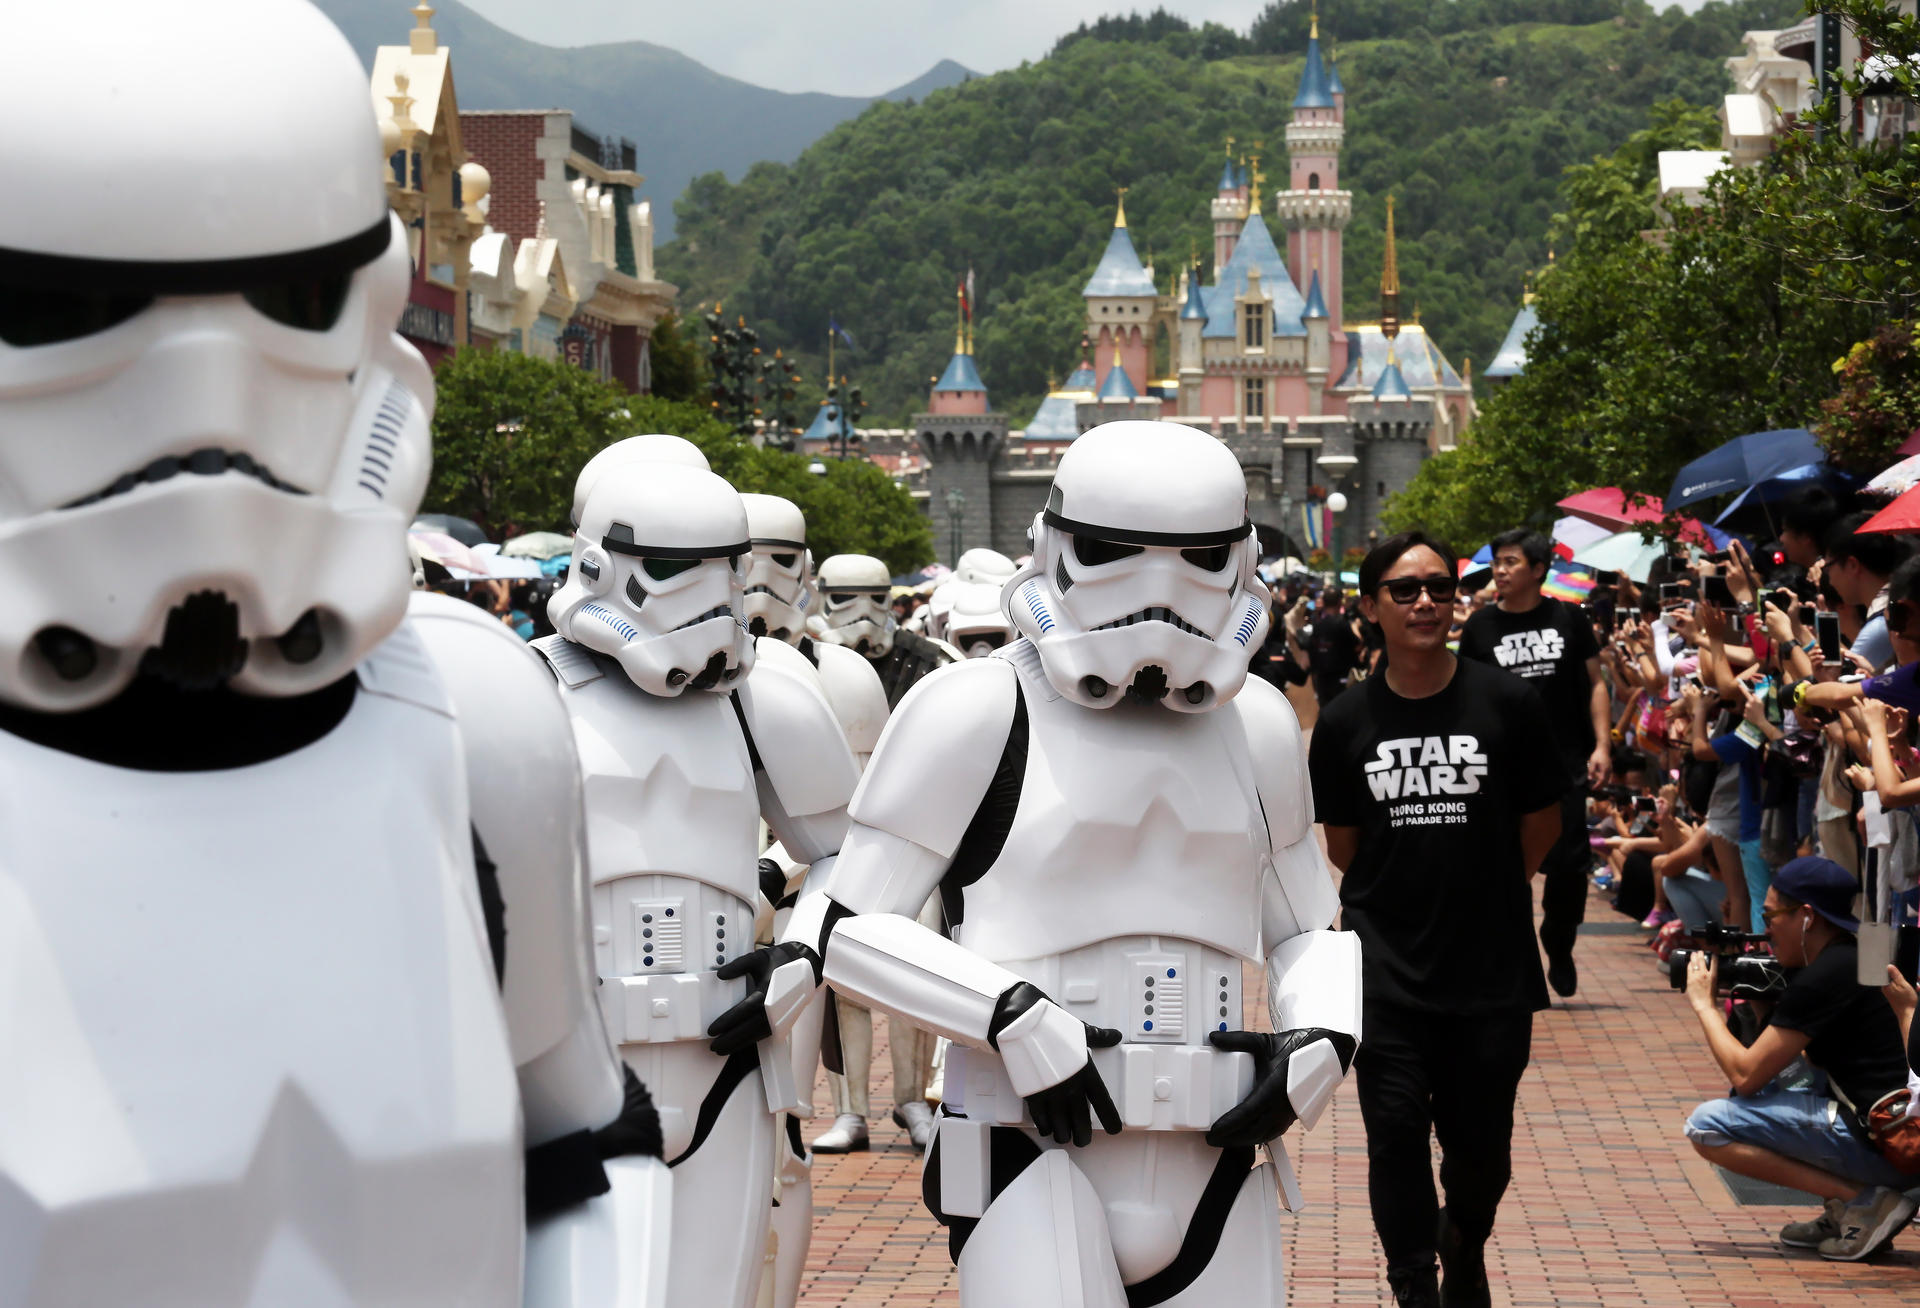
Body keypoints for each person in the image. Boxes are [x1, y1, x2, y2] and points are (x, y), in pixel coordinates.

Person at [0, 3, 663, 1301]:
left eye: (285, 301)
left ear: (367, 307)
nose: (205, 411)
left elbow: (588, 1152)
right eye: (69, 311)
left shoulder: (475, 728)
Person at [792, 421, 1359, 1306]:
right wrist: (1007, 1016)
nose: (1156, 593)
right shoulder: (975, 707)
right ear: (1052, 549)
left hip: (1216, 1152)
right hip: (1028, 1145)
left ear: (1241, 559)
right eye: (1110, 553)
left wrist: (1324, 1036)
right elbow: (846, 928)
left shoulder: (1257, 728)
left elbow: (1304, 925)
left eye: (1199, 558)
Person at [537, 458, 861, 1308]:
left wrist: (798, 954)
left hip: (726, 1061)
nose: (711, 594)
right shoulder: (525, 690)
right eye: (678, 568)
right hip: (574, 1067)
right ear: (600, 562)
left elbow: (858, 858)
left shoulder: (763, 704)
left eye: (727, 568)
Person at [1310, 531, 1565, 1308]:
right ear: (1369, 609)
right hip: (1386, 967)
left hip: (1490, 969)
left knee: (1480, 1152)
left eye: (1440, 588)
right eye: (1405, 589)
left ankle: (1466, 1239)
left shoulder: (1508, 704)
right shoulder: (1346, 721)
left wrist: (1483, 885)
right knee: (1392, 1137)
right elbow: (1345, 846)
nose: (1426, 602)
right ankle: (1414, 1278)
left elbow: (1542, 824)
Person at [1682, 858, 1918, 1261]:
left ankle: (1863, 1202)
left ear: (1807, 916)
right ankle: (1848, 1210)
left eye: (1771, 914)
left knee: (1707, 1126)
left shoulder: (1824, 974)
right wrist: (1762, 1007)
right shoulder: (1863, 952)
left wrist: (1704, 1005)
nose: (1767, 927)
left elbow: (1746, 1075)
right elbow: (1810, 1060)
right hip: (1901, 1133)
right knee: (1780, 1082)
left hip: (1894, 1147)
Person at [1458, 529, 1610, 997]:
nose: (1500, 572)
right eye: (1497, 563)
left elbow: (1597, 684)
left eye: (1510, 562)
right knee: (1506, 868)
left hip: (1565, 764)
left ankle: (1559, 943)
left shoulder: (1569, 618)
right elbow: (1466, 695)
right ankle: (1517, 958)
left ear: (1539, 570)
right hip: (1500, 768)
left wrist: (1602, 745)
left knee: (1568, 869)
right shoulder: (1480, 627)